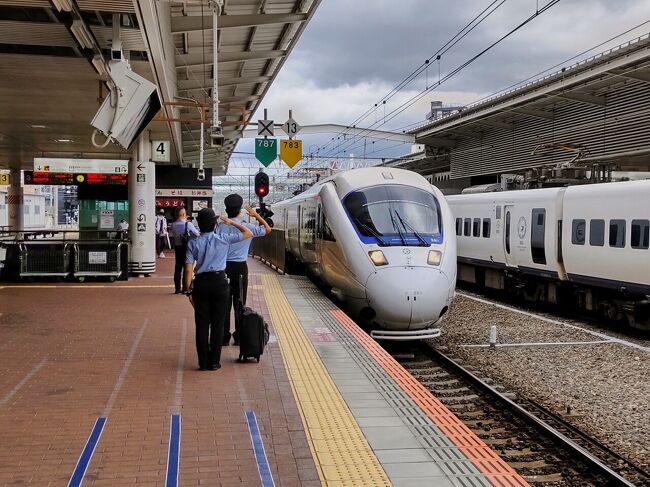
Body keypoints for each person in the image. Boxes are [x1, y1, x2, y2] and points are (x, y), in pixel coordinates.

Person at [184, 208, 252, 371]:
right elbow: (248, 233)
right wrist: (231, 222)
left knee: (201, 325)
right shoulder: (223, 238)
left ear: (199, 225)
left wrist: (188, 291)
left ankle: (203, 362)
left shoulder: (193, 243)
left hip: (201, 284)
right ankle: (214, 362)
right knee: (218, 324)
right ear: (214, 224)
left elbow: (187, 270)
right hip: (220, 282)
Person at [219, 194, 272, 345]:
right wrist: (256, 215)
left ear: (227, 209)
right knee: (240, 302)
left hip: (223, 267)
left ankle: (223, 337)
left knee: (224, 302)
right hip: (240, 268)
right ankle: (239, 336)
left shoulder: (221, 226)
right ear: (239, 210)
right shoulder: (247, 227)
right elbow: (267, 229)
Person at [169, 207, 200, 294]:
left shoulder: (173, 225)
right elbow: (197, 234)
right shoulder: (188, 224)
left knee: (178, 268)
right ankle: (185, 288)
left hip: (178, 247)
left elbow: (172, 234)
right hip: (187, 248)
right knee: (186, 267)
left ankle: (177, 288)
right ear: (183, 215)